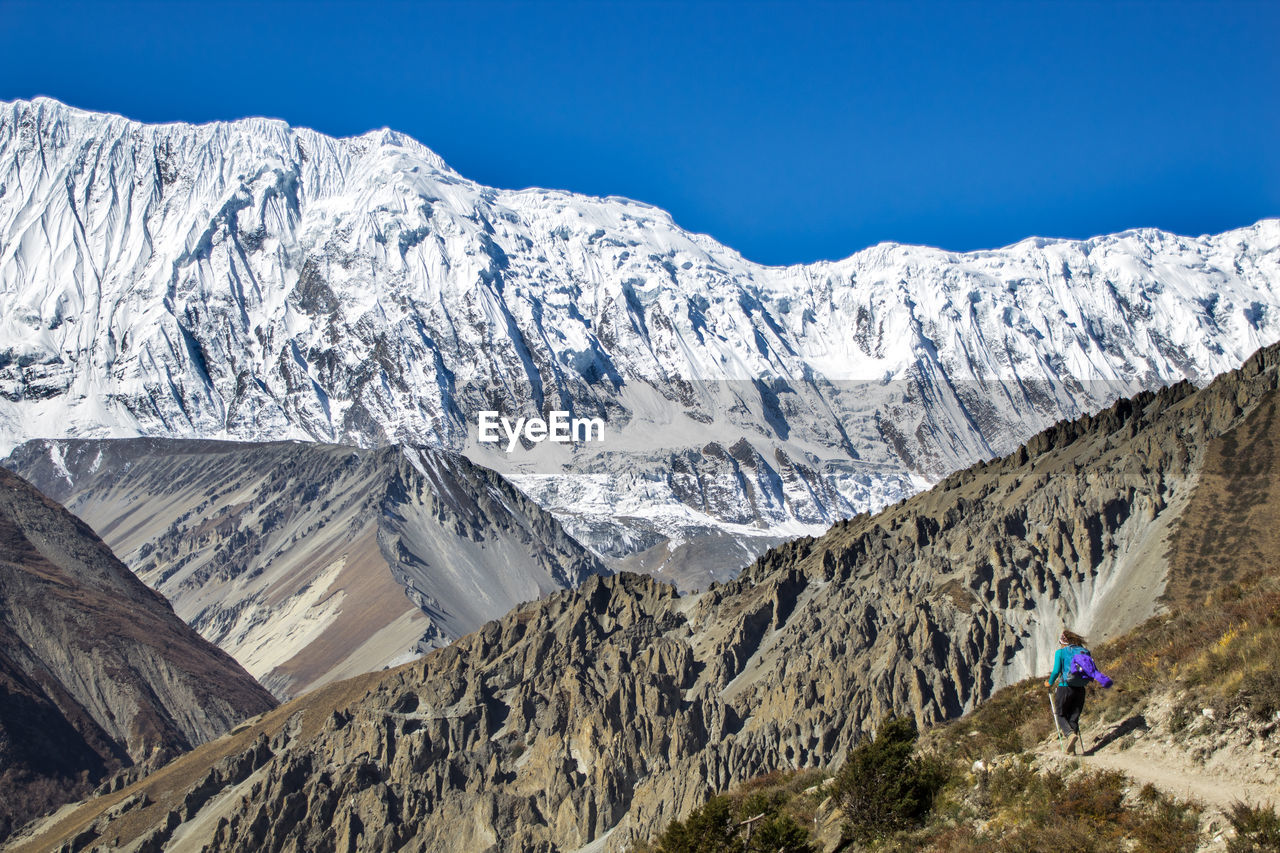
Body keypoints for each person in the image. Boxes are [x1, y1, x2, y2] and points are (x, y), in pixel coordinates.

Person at [1045, 629, 1090, 754]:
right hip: (1080, 689)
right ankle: (1072, 750)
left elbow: (1056, 671)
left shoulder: (1061, 652)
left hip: (1065, 687)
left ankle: (1070, 735)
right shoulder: (1084, 652)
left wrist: (1049, 683)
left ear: (1063, 642)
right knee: (1073, 717)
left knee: (1060, 714)